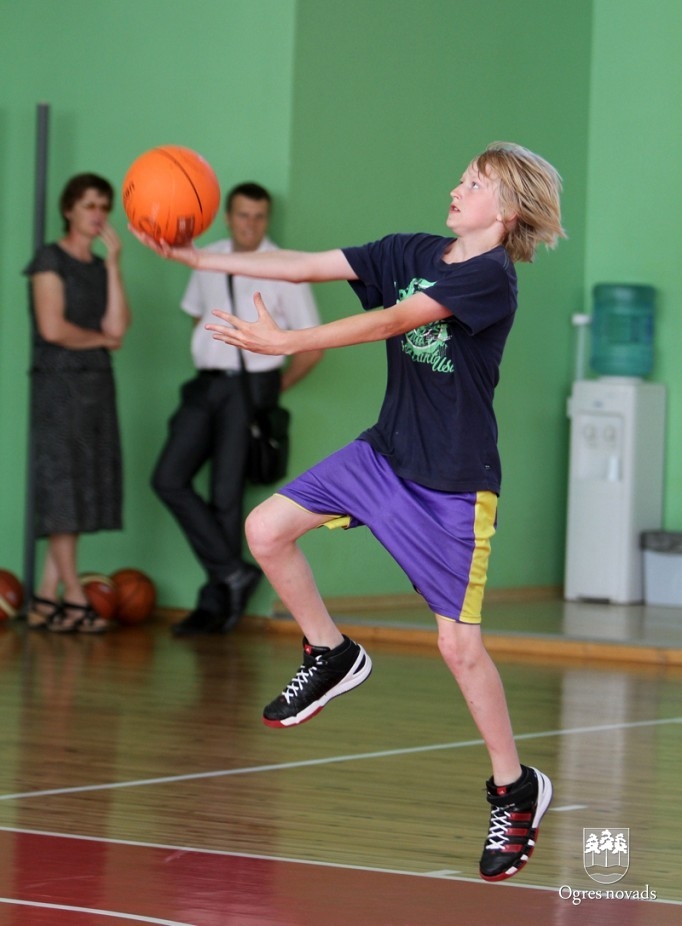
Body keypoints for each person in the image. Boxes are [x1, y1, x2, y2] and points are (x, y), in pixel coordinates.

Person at [132, 141, 565, 881]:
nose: (456, 187)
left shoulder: (494, 279)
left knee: (459, 648)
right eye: (459, 175)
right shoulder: (410, 248)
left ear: (510, 208)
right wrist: (194, 261)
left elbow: (393, 324)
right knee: (264, 529)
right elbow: (303, 265)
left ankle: (514, 788)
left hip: (453, 484)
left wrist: (289, 341)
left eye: (474, 183)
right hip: (384, 454)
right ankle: (331, 651)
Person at [152, 182, 323, 636]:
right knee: (168, 478)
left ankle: (216, 601)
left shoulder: (284, 267)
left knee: (227, 496)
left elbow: (311, 346)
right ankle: (233, 572)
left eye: (259, 216)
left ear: (267, 220)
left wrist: (270, 388)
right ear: (227, 217)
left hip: (250, 389)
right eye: (243, 215)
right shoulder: (206, 257)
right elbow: (197, 316)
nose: (250, 224)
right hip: (205, 384)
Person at [25, 173, 131, 633]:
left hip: (96, 388)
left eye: (104, 206)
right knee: (62, 492)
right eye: (89, 205)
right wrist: (102, 340)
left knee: (82, 491)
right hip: (58, 388)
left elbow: (118, 327)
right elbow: (52, 329)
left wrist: (113, 265)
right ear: (69, 209)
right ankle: (72, 596)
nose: (98, 214)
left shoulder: (96, 264)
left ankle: (45, 599)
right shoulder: (50, 259)